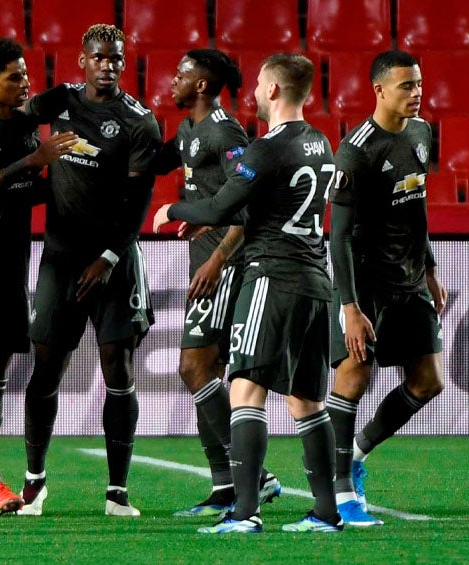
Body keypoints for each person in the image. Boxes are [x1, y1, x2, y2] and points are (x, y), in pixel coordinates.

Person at [153, 53, 343, 534]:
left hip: (270, 278)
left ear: (275, 90)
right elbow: (260, 206)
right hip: (316, 280)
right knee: (305, 401)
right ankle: (326, 512)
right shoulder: (321, 142)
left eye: (260, 84)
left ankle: (244, 512)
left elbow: (221, 204)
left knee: (245, 390)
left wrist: (172, 208)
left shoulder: (265, 148)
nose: (255, 93)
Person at [20, 23, 160, 517]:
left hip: (115, 263)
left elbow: (139, 202)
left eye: (117, 59)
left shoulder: (140, 122)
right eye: (100, 57)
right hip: (60, 258)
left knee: (118, 370)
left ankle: (117, 492)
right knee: (45, 370)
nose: (108, 65)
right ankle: (34, 483)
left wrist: (109, 257)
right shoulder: (58, 102)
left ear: (125, 63)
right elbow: (7, 120)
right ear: (83, 60)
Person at [152, 48, 280, 517]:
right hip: (203, 258)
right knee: (207, 371)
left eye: (182, 73)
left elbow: (247, 206)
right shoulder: (188, 129)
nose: (174, 79)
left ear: (202, 84)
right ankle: (226, 487)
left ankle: (255, 477)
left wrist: (218, 260)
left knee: (194, 367)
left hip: (225, 265)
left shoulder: (226, 131)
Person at [324, 50, 446, 527]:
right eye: (405, 86)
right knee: (355, 376)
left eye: (418, 84)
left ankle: (353, 454)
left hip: (411, 278)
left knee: (427, 381)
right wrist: (350, 307)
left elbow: (417, 208)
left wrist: (431, 268)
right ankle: (339, 493)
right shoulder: (357, 149)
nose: (416, 93)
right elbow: (339, 235)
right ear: (378, 90)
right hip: (366, 283)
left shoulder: (421, 133)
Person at [0, 38, 77, 517]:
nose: (25, 82)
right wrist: (33, 162)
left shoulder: (26, 123)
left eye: (26, 74)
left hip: (15, 258)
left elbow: (26, 190)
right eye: (14, 76)